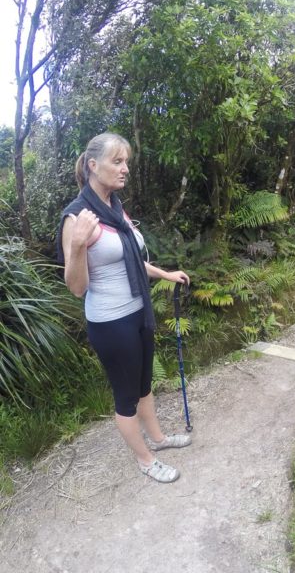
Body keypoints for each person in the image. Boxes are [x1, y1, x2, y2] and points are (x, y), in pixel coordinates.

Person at [57, 132, 191, 483]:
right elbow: (76, 288)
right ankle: (146, 460)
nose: (125, 169)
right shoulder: (77, 218)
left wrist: (165, 274)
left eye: (126, 162)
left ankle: (158, 439)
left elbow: (129, 259)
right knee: (127, 395)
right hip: (110, 322)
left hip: (137, 311)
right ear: (93, 165)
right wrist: (77, 246)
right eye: (117, 161)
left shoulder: (115, 208)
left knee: (144, 384)